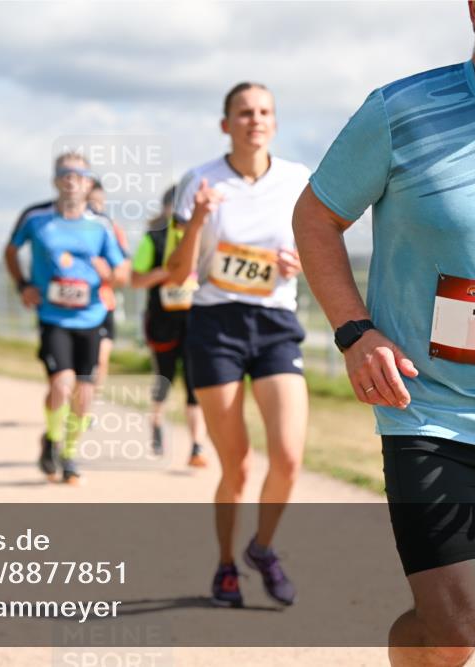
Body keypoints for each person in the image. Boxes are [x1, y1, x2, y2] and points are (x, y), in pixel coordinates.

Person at [293, 2, 475, 664]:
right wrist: (355, 331)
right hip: (430, 408)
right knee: (457, 624)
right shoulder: (401, 112)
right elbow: (315, 218)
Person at [167, 82, 309, 608]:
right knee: (238, 465)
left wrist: (302, 262)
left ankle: (262, 548)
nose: (256, 120)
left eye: (265, 111)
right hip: (216, 325)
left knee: (288, 457)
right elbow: (176, 273)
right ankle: (226, 564)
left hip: (275, 323)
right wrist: (199, 218)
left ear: (275, 122)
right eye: (244, 112)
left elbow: (318, 244)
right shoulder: (199, 181)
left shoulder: (298, 179)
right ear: (226, 124)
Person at [5, 153, 129, 485]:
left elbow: (123, 271)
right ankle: (52, 438)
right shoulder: (35, 218)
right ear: (55, 180)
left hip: (91, 317)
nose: (72, 180)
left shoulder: (101, 225)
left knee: (85, 391)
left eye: (79, 175)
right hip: (53, 316)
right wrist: (23, 285)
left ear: (88, 183)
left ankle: (70, 453)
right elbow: (11, 250)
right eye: (65, 174)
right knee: (61, 383)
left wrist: (110, 275)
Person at [131, 185, 207, 467]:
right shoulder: (153, 239)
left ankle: (197, 446)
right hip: (162, 321)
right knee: (164, 378)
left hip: (196, 320)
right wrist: (168, 271)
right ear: (165, 208)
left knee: (195, 382)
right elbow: (136, 280)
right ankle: (156, 422)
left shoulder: (203, 236)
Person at [87, 180, 131, 394]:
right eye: (91, 202)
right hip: (75, 306)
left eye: (99, 202)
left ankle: (90, 402)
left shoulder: (112, 228)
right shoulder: (70, 226)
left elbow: (125, 271)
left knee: (101, 359)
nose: (96, 207)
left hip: (104, 303)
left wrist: (109, 276)